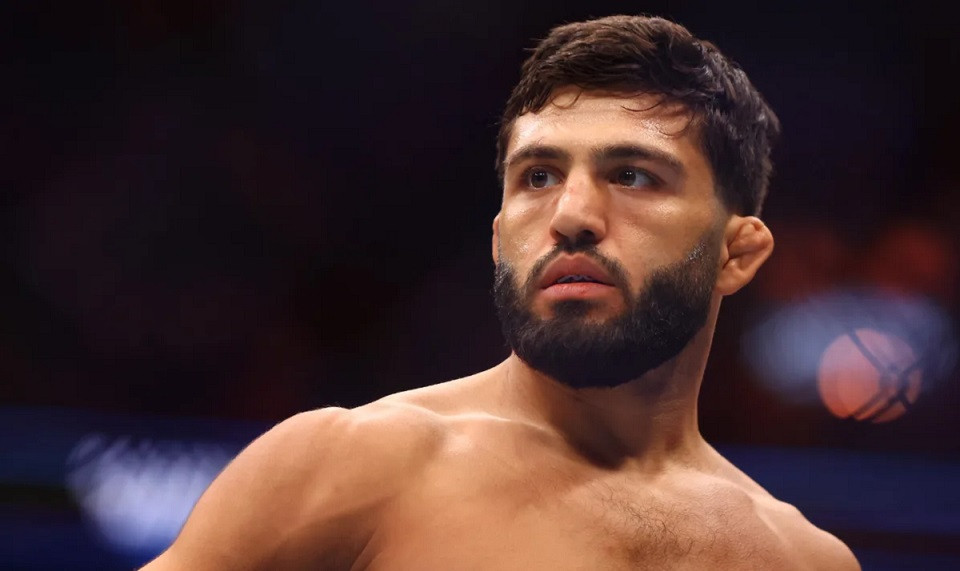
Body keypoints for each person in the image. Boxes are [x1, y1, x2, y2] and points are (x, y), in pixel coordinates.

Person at [143, 14, 860, 570]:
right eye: (538, 176)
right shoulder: (351, 465)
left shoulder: (802, 559)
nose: (571, 215)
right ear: (498, 238)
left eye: (633, 175)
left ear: (737, 253)